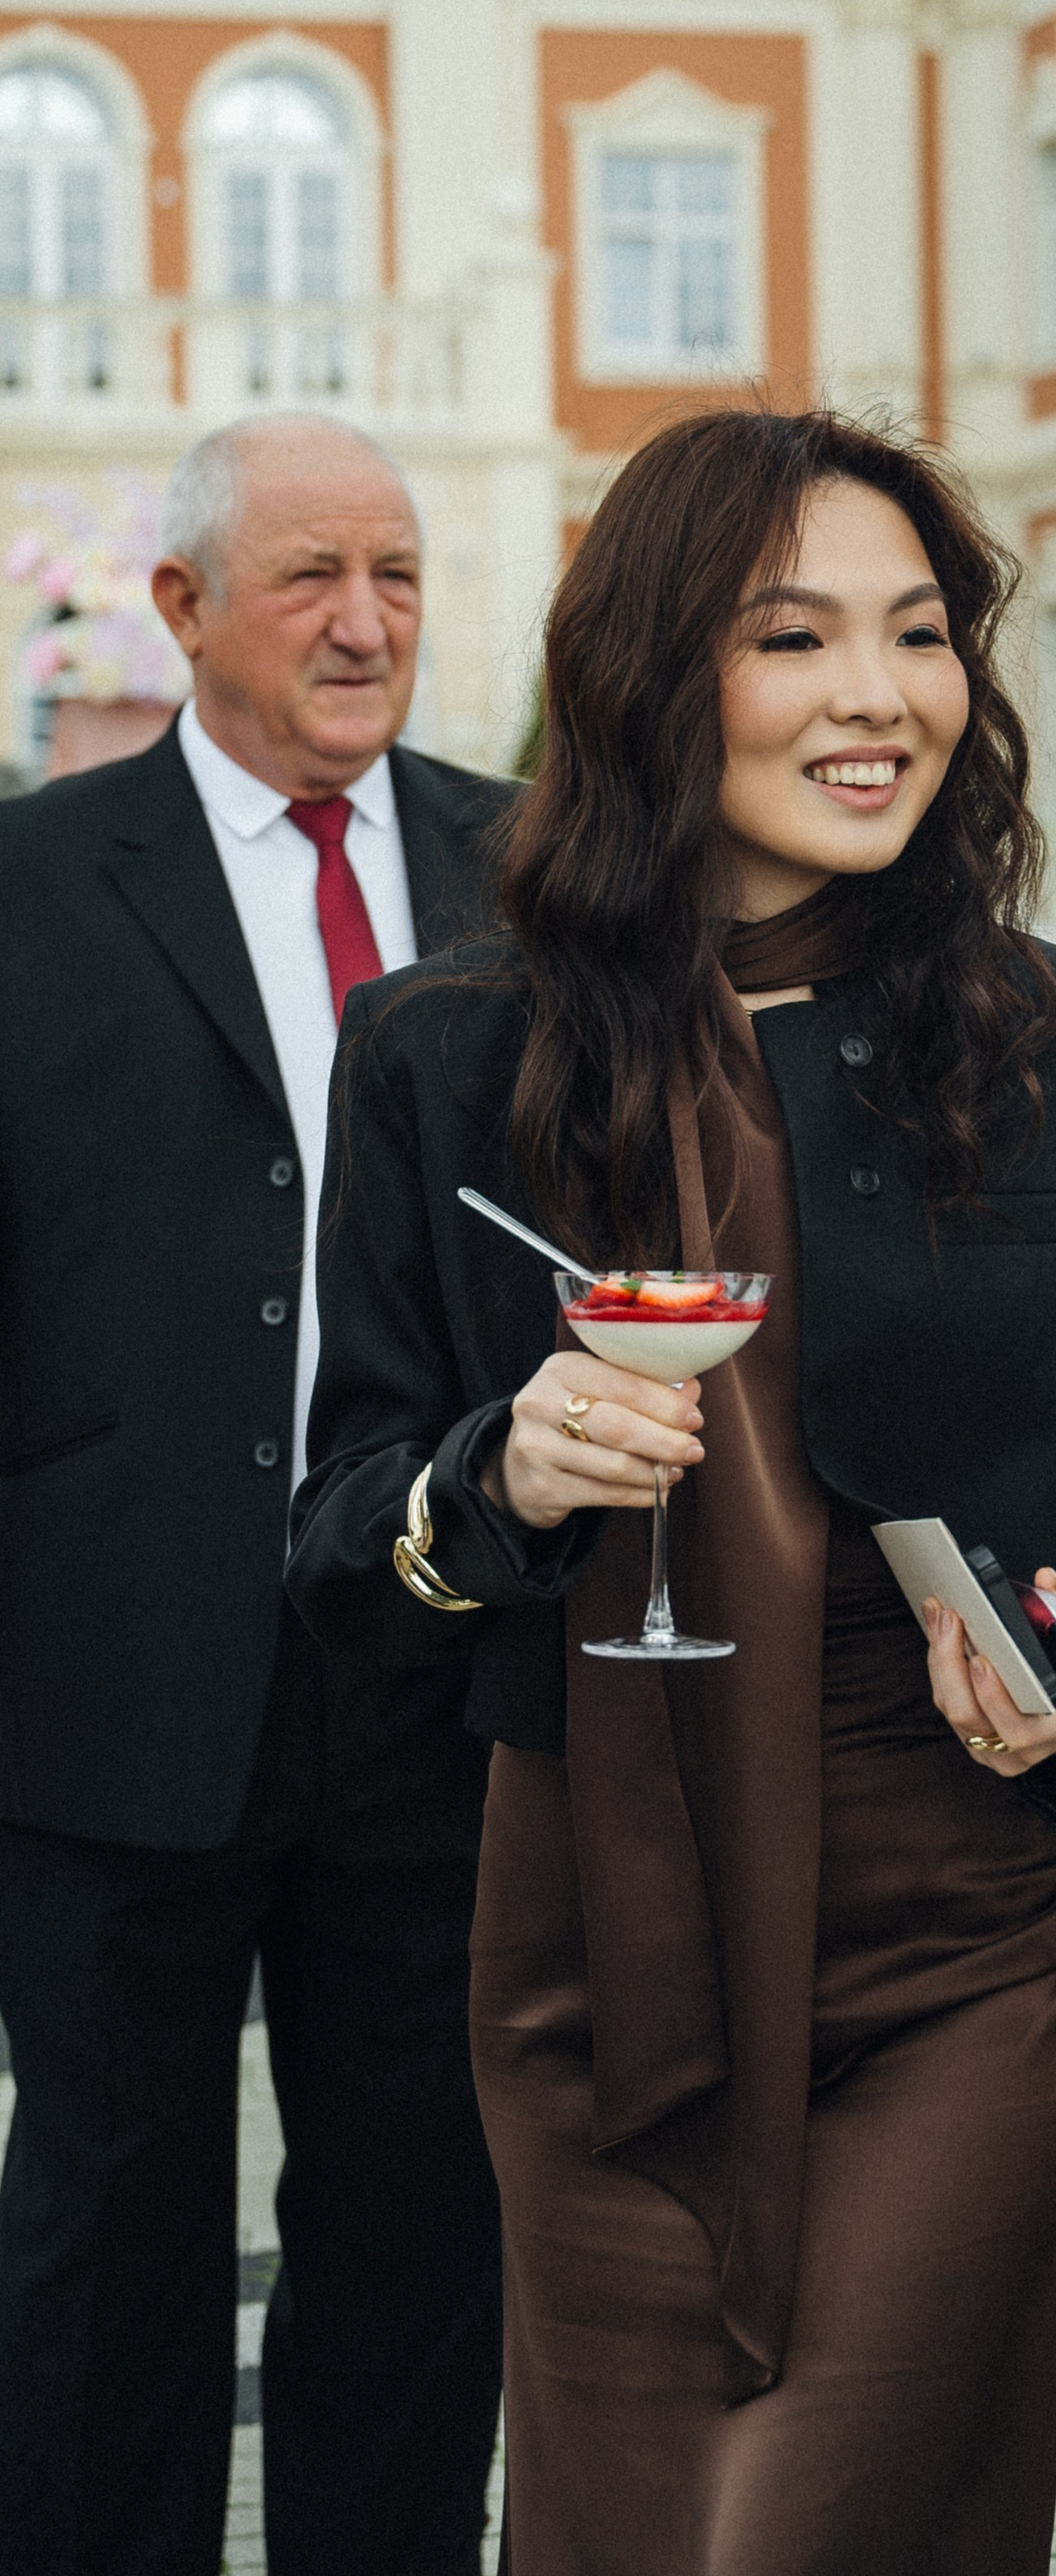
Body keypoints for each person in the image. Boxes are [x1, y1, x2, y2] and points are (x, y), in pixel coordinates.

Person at [286, 405, 1056, 2576]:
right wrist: (497, 1469)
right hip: (589, 1942)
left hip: (958, 1926)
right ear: (653, 672)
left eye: (916, 636)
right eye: (792, 635)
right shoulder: (449, 1053)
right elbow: (350, 1529)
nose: (875, 696)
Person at [0, 411, 512, 2576]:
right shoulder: (30, 880)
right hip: (107, 1677)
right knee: (103, 2243)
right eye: (310, 575)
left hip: (438, 1666)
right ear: (185, 606)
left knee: (416, 2241)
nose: (365, 619)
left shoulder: (539, 862)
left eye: (395, 572)